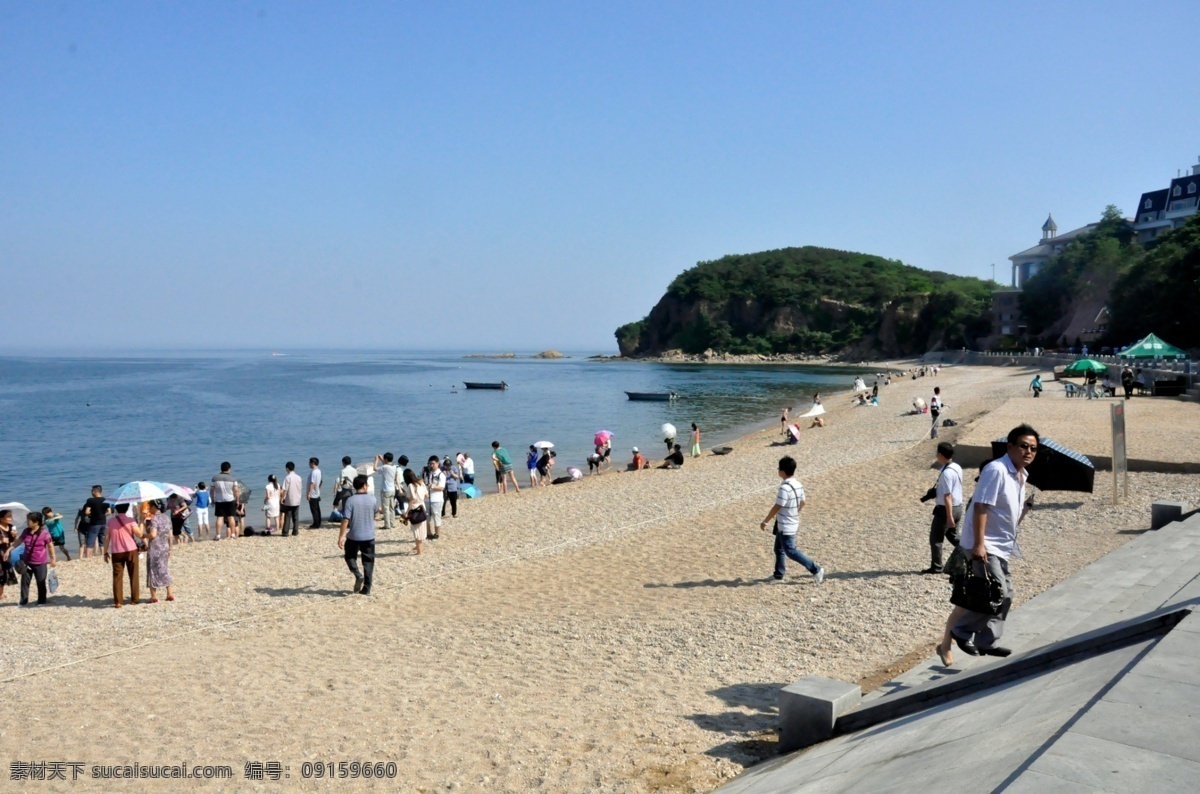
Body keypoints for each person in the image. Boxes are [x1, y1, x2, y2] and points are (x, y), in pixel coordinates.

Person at [938, 424, 1038, 665]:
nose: (1028, 452)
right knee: (994, 592)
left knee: (1006, 595)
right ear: (1010, 446)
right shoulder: (996, 470)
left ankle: (986, 641)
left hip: (1001, 547)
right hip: (986, 546)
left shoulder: (1021, 476)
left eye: (1033, 448)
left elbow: (1008, 516)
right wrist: (979, 545)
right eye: (1023, 446)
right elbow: (981, 506)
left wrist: (1025, 509)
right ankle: (960, 632)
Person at [759, 455, 825, 584]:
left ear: (782, 471)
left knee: (790, 551)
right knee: (778, 548)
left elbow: (778, 506)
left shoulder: (784, 488)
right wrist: (795, 512)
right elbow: (803, 502)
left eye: (779, 469)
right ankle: (778, 574)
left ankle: (816, 569)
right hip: (787, 522)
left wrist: (765, 521)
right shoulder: (798, 484)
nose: (778, 471)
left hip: (786, 524)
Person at [922, 442, 963, 574]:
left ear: (940, 454)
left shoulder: (946, 473)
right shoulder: (956, 467)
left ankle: (937, 566)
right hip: (958, 507)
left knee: (936, 539)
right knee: (953, 536)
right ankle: (969, 551)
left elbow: (947, 496)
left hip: (946, 510)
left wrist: (949, 516)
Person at [337, 475, 377, 595]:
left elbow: (345, 520)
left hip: (354, 535)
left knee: (349, 557)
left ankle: (358, 574)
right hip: (369, 536)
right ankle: (367, 588)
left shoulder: (351, 500)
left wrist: (341, 536)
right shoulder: (373, 499)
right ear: (364, 486)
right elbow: (375, 515)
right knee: (368, 562)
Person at [104, 503, 143, 607]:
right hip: (131, 550)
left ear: (116, 509)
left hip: (116, 551)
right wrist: (142, 522)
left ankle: (118, 601)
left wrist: (105, 552)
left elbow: (107, 537)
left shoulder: (110, 521)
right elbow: (139, 534)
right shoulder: (131, 520)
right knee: (133, 574)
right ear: (127, 509)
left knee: (117, 576)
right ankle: (134, 599)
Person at [18, 511, 57, 606]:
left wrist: (53, 559)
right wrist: (9, 549)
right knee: (24, 582)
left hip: (40, 562)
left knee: (41, 582)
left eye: (29, 520)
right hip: (27, 561)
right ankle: (23, 601)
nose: (27, 522)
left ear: (36, 522)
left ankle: (42, 601)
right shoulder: (26, 531)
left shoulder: (44, 533)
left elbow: (50, 546)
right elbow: (19, 541)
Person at [143, 500, 174, 603]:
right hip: (164, 546)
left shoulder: (154, 519)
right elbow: (170, 535)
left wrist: (144, 536)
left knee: (152, 570)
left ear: (153, 507)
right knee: (164, 569)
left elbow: (153, 535)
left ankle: (154, 596)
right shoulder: (167, 518)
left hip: (155, 547)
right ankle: (169, 593)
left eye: (149, 506)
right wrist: (170, 548)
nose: (148, 509)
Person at [402, 468, 428, 555]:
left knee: (416, 529)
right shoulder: (421, 483)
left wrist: (406, 512)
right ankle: (418, 546)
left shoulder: (410, 486)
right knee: (421, 527)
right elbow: (427, 495)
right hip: (422, 506)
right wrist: (421, 499)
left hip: (415, 508)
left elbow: (412, 500)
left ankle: (419, 550)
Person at [211, 462, 239, 540]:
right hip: (230, 499)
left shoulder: (215, 478)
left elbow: (212, 490)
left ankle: (218, 535)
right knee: (231, 517)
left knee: (219, 518)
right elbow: (236, 491)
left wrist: (212, 500)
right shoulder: (233, 479)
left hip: (219, 500)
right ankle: (233, 535)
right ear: (229, 469)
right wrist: (237, 500)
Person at [82, 484, 110, 559]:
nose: (91, 493)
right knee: (102, 541)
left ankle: (87, 557)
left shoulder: (90, 500)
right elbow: (109, 512)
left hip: (94, 523)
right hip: (103, 522)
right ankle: (103, 555)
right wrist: (103, 515)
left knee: (90, 541)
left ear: (95, 492)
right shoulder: (106, 500)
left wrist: (93, 513)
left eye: (92, 491)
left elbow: (87, 512)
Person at [375, 453, 399, 530]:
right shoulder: (394, 467)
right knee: (391, 508)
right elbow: (386, 465)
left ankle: (387, 525)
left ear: (385, 459)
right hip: (392, 489)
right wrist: (382, 459)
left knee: (385, 508)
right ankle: (393, 523)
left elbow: (374, 468)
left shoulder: (384, 467)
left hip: (385, 490)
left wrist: (376, 460)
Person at [424, 456, 445, 540]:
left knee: (436, 516)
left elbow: (441, 487)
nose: (431, 465)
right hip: (427, 499)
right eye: (430, 463)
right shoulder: (428, 474)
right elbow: (424, 483)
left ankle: (437, 534)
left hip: (437, 499)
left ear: (437, 463)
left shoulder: (441, 474)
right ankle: (428, 533)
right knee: (426, 516)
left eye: (433, 463)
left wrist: (432, 486)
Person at [280, 463, 303, 536]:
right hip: (297, 499)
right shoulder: (299, 477)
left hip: (289, 500)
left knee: (287, 516)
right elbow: (300, 488)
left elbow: (285, 489)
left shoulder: (288, 477)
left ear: (287, 468)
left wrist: (282, 498)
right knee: (296, 516)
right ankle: (295, 531)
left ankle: (285, 532)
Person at [0, 509, 17, 597]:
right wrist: (1, 541)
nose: (10, 518)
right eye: (8, 516)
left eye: (11, 516)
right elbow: (3, 541)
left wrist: (14, 535)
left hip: (6, 552)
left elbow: (12, 541)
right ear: (1, 518)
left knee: (4, 571)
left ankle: (1, 593)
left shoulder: (10, 527)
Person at [306, 457, 323, 528]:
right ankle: (318, 522)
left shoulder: (314, 472)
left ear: (312, 463)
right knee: (317, 509)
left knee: (314, 509)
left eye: (309, 462)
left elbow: (312, 483)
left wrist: (309, 493)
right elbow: (321, 481)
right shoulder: (319, 471)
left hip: (313, 494)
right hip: (317, 493)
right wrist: (318, 489)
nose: (308, 464)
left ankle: (316, 524)